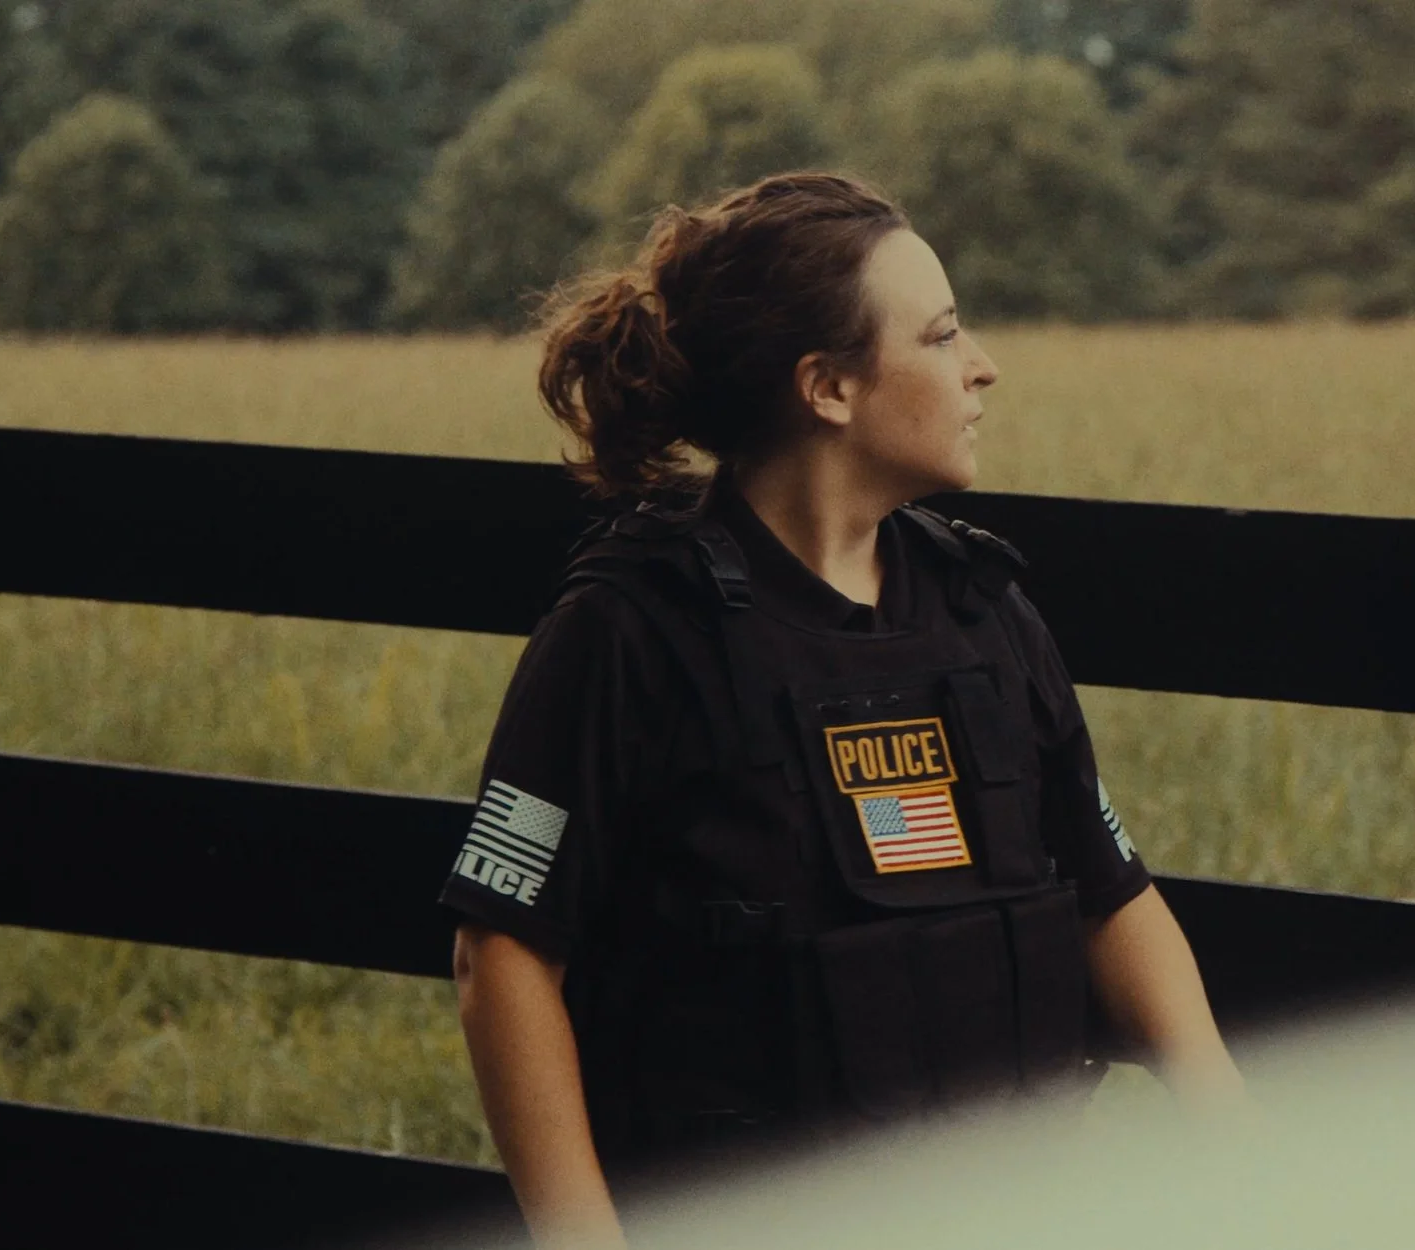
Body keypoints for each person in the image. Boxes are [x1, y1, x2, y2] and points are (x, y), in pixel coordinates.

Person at [439, 171, 1243, 1248]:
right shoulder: (629, 632)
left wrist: (1235, 1132)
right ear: (827, 387)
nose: (982, 366)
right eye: (943, 335)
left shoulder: (988, 614)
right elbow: (502, 956)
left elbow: (1112, 893)